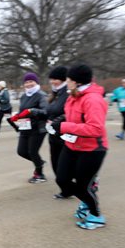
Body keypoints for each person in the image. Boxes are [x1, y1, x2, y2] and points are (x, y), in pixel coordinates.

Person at [50, 64, 108, 230]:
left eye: (68, 79)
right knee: (62, 180)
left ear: (75, 81)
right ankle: (87, 198)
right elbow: (70, 116)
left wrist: (64, 127)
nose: (66, 82)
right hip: (72, 144)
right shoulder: (73, 96)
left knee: (83, 186)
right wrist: (59, 121)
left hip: (93, 149)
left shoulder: (93, 99)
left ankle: (96, 215)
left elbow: (96, 129)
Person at [8, 72, 48, 183]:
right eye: (26, 82)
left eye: (31, 81)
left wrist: (32, 111)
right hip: (25, 127)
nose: (29, 84)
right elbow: (23, 111)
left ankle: (39, 174)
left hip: (38, 128)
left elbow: (46, 112)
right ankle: (39, 162)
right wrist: (17, 116)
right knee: (21, 151)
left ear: (36, 82)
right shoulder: (24, 96)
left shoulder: (41, 95)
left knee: (32, 152)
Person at [42, 66, 69, 198]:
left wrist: (57, 121)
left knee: (65, 166)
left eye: (55, 79)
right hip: (53, 134)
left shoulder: (68, 93)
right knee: (55, 163)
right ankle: (66, 189)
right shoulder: (55, 93)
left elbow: (69, 113)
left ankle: (70, 188)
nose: (52, 81)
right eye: (51, 79)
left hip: (65, 134)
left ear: (63, 79)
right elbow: (49, 111)